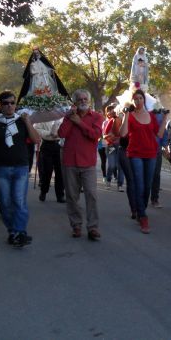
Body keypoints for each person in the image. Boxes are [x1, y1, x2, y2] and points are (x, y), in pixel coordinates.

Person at [0, 90, 41, 247]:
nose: (9, 106)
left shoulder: (22, 120)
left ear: (16, 104)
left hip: (21, 167)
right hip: (1, 168)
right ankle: (13, 231)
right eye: (6, 103)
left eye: (12, 103)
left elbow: (36, 139)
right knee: (5, 203)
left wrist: (28, 122)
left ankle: (20, 232)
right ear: (0, 105)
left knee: (19, 201)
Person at [119, 89, 168, 234]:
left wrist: (165, 118)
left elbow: (159, 134)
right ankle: (143, 216)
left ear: (144, 100)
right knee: (139, 185)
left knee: (147, 186)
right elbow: (123, 133)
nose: (138, 101)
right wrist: (125, 114)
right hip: (135, 154)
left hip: (151, 153)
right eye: (135, 99)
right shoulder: (130, 116)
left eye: (140, 98)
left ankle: (141, 209)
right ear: (132, 101)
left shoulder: (151, 115)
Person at [58, 89, 104, 240]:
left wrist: (79, 123)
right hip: (70, 161)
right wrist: (70, 118)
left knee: (91, 195)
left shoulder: (97, 117)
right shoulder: (69, 116)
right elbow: (61, 134)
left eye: (85, 99)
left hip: (88, 163)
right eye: (80, 99)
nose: (83, 101)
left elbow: (95, 135)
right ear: (75, 102)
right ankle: (76, 225)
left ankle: (93, 227)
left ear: (89, 101)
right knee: (72, 196)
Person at [34, 118, 65, 203]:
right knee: (47, 170)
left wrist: (58, 134)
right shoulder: (44, 117)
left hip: (59, 145)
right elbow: (37, 129)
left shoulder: (61, 117)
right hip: (47, 145)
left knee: (60, 171)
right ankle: (43, 191)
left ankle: (60, 195)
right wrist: (49, 133)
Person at [102, 104, 124, 191]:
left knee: (120, 166)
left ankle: (120, 184)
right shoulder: (107, 122)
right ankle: (108, 180)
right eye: (109, 111)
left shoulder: (123, 120)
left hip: (120, 146)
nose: (111, 112)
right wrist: (109, 136)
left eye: (113, 110)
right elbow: (104, 135)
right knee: (112, 165)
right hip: (110, 146)